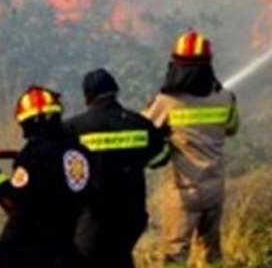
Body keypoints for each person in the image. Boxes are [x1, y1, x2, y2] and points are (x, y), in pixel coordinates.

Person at [142, 30, 239, 268]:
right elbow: (232, 128)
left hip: (185, 193)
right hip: (215, 189)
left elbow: (142, 131)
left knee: (175, 255)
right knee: (212, 253)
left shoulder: (167, 102)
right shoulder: (225, 98)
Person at [0, 85, 91, 268]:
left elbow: (14, 204)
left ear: (26, 123)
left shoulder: (32, 155)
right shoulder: (80, 154)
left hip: (25, 245)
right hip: (64, 246)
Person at [64, 68, 169, 268]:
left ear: (88, 97)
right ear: (115, 91)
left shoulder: (72, 128)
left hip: (92, 217)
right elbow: (161, 158)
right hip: (131, 214)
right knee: (120, 257)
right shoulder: (139, 123)